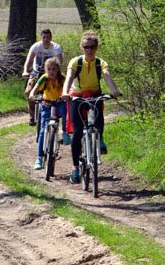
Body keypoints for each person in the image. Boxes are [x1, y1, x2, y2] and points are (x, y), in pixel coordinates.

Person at [63, 31, 120, 184]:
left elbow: (107, 76)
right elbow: (69, 77)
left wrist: (114, 90)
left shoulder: (101, 63)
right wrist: (65, 92)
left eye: (92, 47)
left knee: (99, 120)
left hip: (95, 95)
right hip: (77, 96)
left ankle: (99, 138)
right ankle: (75, 168)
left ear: (96, 47)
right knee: (77, 131)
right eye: (86, 47)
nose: (89, 50)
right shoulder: (75, 62)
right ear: (81, 47)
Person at [30, 56, 69, 170]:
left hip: (60, 103)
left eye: (54, 69)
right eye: (49, 69)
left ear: (58, 69)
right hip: (47, 104)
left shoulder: (62, 78)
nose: (51, 71)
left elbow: (68, 88)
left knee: (65, 113)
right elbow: (36, 87)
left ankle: (65, 133)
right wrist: (32, 94)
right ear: (46, 70)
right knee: (43, 131)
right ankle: (39, 158)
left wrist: (67, 96)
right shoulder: (44, 78)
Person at [22, 28, 63, 126]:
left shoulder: (56, 47)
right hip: (36, 72)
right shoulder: (36, 46)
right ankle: (32, 116)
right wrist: (25, 71)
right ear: (41, 37)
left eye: (48, 37)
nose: (46, 39)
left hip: (51, 73)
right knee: (28, 91)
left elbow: (59, 62)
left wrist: (58, 74)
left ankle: (56, 112)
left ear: (51, 38)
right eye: (44, 37)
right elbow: (29, 60)